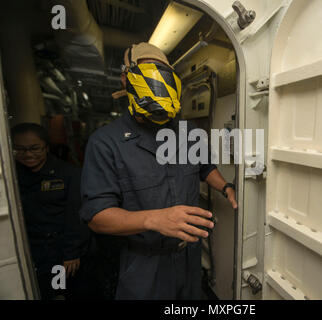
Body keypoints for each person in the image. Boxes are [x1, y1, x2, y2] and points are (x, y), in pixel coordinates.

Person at [80, 42, 237, 300]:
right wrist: (153, 219)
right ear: (125, 79)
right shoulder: (105, 142)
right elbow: (97, 216)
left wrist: (225, 186)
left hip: (189, 257)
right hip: (144, 262)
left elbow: (204, 167)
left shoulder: (186, 133)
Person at [12, 123, 92, 300]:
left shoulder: (69, 174)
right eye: (20, 149)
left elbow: (77, 215)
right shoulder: (12, 176)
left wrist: (71, 253)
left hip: (60, 253)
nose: (28, 154)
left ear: (46, 147)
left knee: (61, 293)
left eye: (35, 148)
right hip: (31, 251)